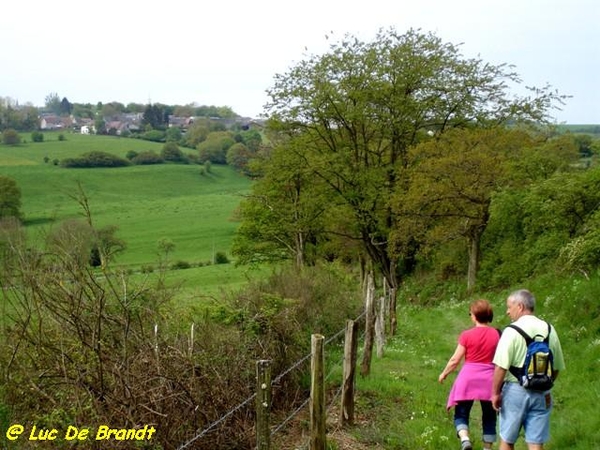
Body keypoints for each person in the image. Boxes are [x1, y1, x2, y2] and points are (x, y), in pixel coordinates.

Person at [491, 289, 566, 450]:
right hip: (542, 392)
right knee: (536, 442)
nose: (507, 311)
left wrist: (495, 393)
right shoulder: (550, 329)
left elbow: (500, 367)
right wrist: (545, 383)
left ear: (520, 306)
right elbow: (557, 366)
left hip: (514, 392)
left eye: (509, 307)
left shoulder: (511, 331)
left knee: (507, 440)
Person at [439, 299, 500, 450]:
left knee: (461, 412)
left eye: (470, 313)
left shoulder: (466, 335)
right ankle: (487, 447)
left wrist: (444, 373)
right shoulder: (497, 334)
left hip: (468, 378)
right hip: (489, 379)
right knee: (490, 415)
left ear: (474, 316)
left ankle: (465, 439)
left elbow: (455, 360)